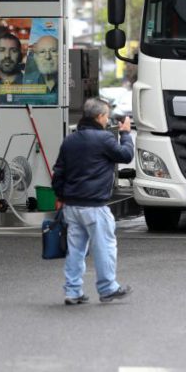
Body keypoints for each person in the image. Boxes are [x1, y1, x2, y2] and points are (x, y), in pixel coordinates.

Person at [51, 98, 134, 305]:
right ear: (99, 117)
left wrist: (60, 197)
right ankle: (107, 288)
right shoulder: (103, 139)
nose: (107, 120)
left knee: (76, 250)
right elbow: (126, 155)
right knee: (105, 247)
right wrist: (125, 133)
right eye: (106, 116)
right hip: (95, 206)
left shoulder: (70, 140)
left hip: (72, 206)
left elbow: (58, 172)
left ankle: (73, 291)